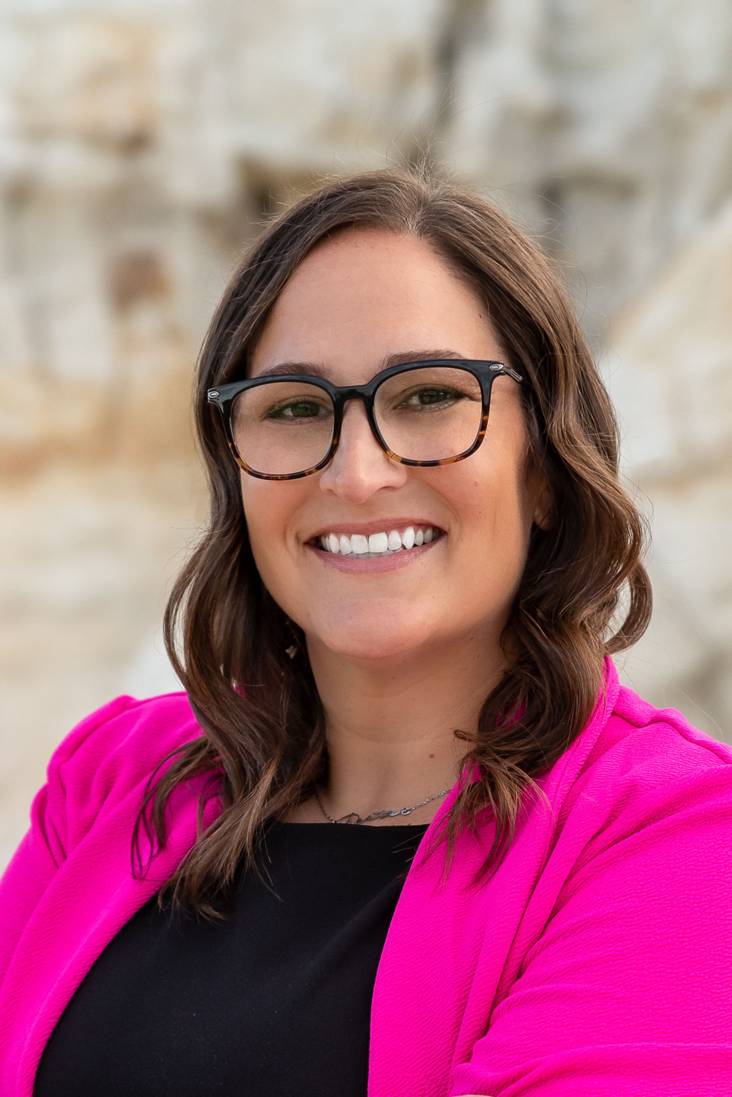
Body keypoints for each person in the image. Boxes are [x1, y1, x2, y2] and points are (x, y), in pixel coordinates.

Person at [1, 166, 731, 1097]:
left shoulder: (678, 840)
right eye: (294, 408)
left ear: (544, 467)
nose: (357, 472)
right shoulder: (114, 779)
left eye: (428, 396)